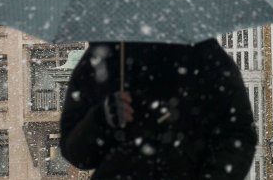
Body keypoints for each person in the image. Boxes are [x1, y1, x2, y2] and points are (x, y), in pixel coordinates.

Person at [59, 39, 258, 179]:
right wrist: (102, 118)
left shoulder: (204, 55)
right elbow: (76, 153)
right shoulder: (104, 56)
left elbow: (237, 134)